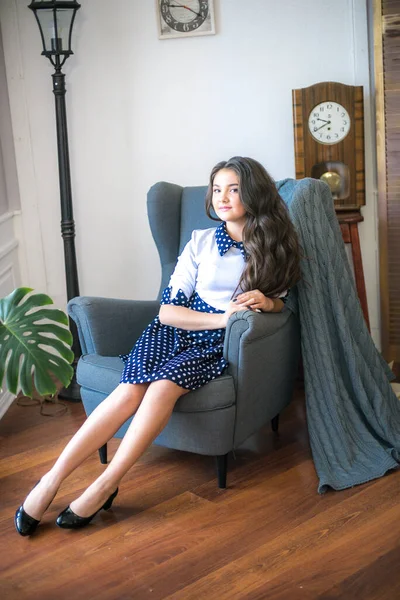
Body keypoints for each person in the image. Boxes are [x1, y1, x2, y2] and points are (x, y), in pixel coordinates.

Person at [15, 156, 301, 536]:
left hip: (217, 345)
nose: (223, 197)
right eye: (217, 189)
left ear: (254, 193)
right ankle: (50, 481)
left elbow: (283, 302)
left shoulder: (274, 247)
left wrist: (269, 303)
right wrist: (223, 317)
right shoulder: (200, 241)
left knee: (163, 388)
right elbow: (168, 312)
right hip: (176, 329)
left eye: (233, 189)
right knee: (127, 392)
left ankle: (105, 484)